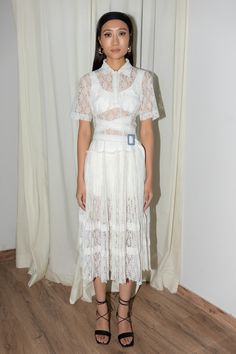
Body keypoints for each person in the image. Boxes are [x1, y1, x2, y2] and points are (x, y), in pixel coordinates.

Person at [70, 11, 159, 348]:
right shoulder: (88, 82)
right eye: (108, 34)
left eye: (123, 34)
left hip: (130, 163)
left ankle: (123, 313)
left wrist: (150, 177)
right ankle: (101, 311)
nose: (116, 41)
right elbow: (82, 132)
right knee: (97, 233)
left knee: (126, 236)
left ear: (130, 41)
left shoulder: (144, 79)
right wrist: (80, 179)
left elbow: (148, 131)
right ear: (99, 42)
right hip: (98, 164)